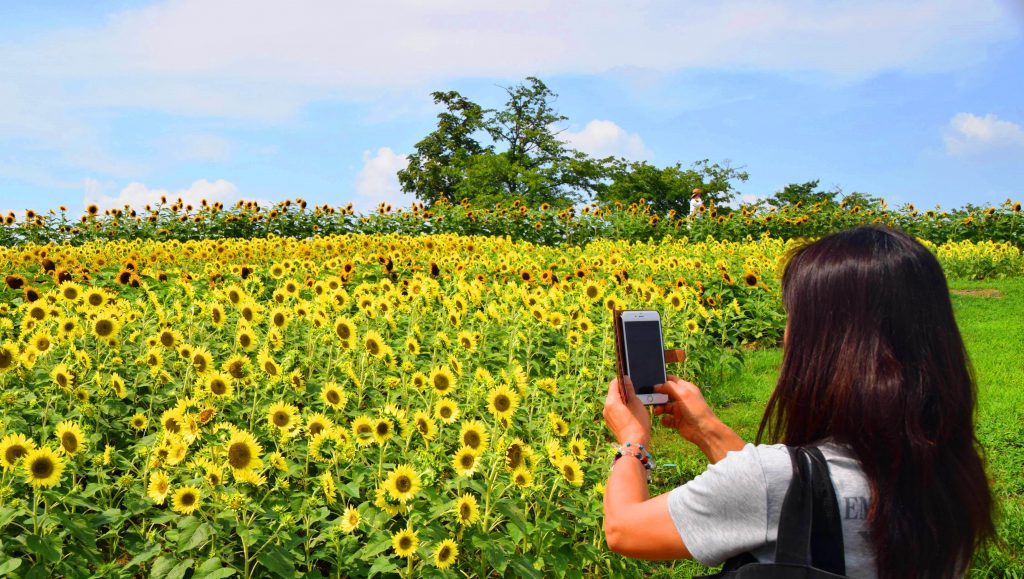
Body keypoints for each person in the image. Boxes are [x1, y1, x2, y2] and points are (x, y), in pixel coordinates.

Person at [602, 226, 994, 578]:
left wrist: (633, 440)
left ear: (828, 343)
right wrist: (708, 430)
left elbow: (625, 529)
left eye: (793, 317)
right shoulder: (952, 475)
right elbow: (796, 503)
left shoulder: (771, 479)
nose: (787, 335)